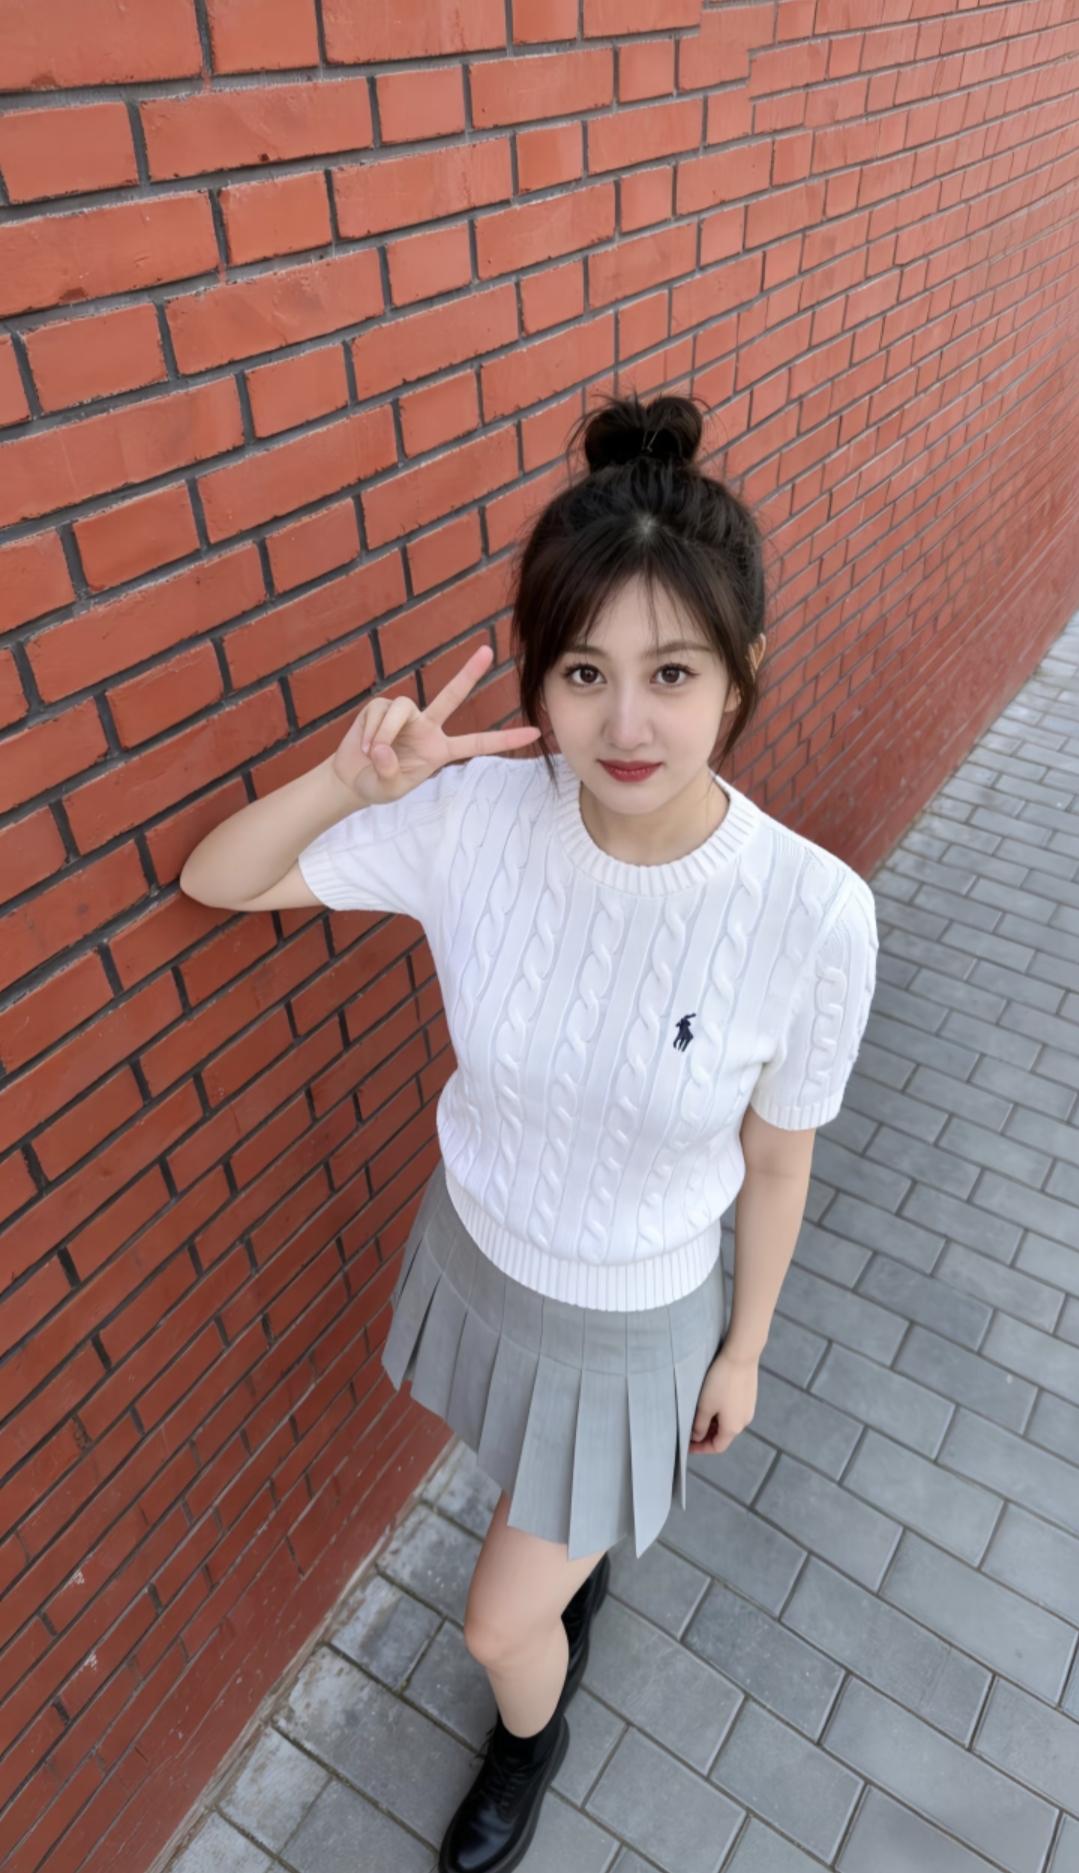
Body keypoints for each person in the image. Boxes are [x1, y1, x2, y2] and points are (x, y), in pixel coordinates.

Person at [179, 389, 879, 1873]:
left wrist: (745, 1349)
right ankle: (573, 1550)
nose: (625, 725)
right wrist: (350, 781)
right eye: (583, 672)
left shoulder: (811, 912)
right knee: (520, 1474)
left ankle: (529, 1734)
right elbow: (219, 880)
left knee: (501, 1621)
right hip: (482, 1255)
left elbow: (777, 1156)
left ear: (742, 671)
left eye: (672, 672)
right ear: (539, 678)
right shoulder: (476, 820)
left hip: (638, 1321)